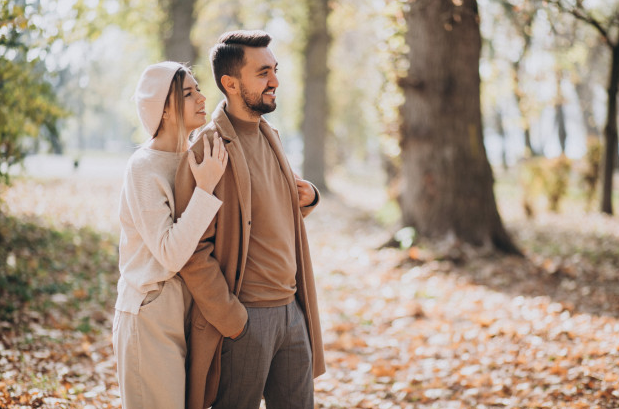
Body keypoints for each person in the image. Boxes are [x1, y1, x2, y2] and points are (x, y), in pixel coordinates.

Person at [174, 30, 325, 409]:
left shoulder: (270, 136)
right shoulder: (206, 147)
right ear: (231, 83)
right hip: (245, 320)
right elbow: (192, 248)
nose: (275, 81)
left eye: (275, 70)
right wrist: (233, 320)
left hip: (293, 312)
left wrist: (306, 200)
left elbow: (263, 213)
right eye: (263, 73)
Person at [112, 61, 229, 409]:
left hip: (192, 311)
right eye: (188, 93)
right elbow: (169, 254)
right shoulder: (144, 167)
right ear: (163, 109)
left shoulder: (197, 156)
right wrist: (205, 190)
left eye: (198, 89)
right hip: (150, 312)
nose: (202, 97)